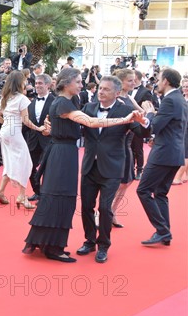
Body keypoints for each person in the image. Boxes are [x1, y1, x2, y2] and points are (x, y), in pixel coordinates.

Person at [22, 68, 136, 263]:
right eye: (78, 82)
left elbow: (61, 126)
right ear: (66, 83)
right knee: (58, 198)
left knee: (64, 200)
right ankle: (52, 247)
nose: (82, 85)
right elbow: (90, 122)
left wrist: (52, 129)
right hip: (61, 156)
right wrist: (124, 120)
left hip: (66, 154)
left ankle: (54, 244)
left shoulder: (69, 102)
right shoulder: (62, 103)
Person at [77, 76, 152, 263]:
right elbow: (77, 129)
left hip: (111, 167)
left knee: (104, 208)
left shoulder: (126, 111)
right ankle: (89, 240)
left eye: (106, 89)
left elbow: (142, 133)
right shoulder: (88, 108)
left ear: (117, 93)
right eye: (100, 88)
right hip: (89, 166)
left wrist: (145, 122)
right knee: (86, 206)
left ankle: (104, 245)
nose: (100, 92)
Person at [137, 68, 188, 246]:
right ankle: (164, 234)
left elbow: (155, 126)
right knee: (160, 193)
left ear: (165, 80)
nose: (157, 83)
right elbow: (172, 127)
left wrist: (150, 114)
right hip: (175, 153)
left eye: (159, 79)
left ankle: (162, 230)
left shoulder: (169, 100)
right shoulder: (181, 99)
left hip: (164, 154)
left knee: (142, 190)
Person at [0, 71, 46, 210]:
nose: (26, 83)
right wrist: (39, 128)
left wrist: (8, 123)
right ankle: (22, 197)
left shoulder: (4, 98)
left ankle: (0, 193)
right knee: (27, 163)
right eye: (24, 81)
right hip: (14, 133)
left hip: (4, 132)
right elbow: (26, 120)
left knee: (10, 163)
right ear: (19, 83)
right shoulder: (22, 99)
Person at [110, 69, 146, 227]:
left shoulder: (129, 98)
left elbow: (141, 112)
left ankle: (112, 211)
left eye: (134, 80)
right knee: (113, 181)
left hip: (128, 143)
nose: (134, 83)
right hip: (117, 143)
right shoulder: (116, 99)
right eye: (130, 80)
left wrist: (147, 112)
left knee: (126, 181)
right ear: (121, 82)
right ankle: (103, 212)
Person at [23, 74, 54, 202]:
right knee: (29, 167)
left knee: (47, 169)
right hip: (33, 140)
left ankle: (46, 196)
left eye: (40, 83)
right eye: (36, 83)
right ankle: (38, 192)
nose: (37, 86)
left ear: (48, 85)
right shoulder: (31, 103)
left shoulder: (55, 101)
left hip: (49, 140)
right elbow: (27, 123)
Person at [172, 78, 188, 184]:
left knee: (185, 153)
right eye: (184, 87)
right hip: (181, 128)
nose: (186, 88)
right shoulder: (182, 98)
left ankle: (178, 177)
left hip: (187, 128)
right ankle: (187, 174)